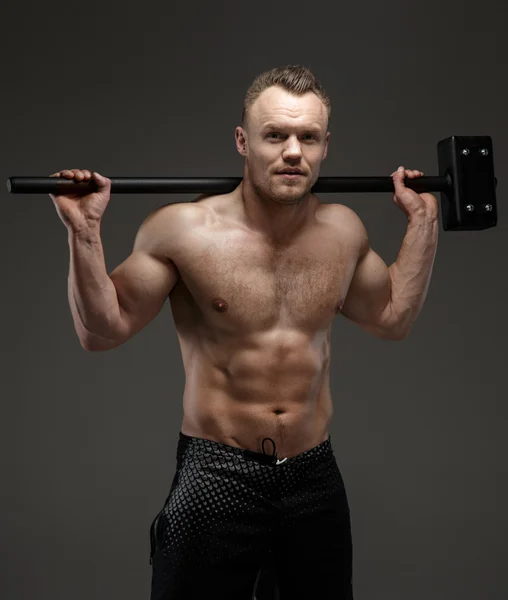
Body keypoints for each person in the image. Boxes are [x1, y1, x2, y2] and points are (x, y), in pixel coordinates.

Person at [49, 65, 439, 600]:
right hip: (218, 472)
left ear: (326, 145)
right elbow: (103, 329)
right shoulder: (182, 231)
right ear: (243, 141)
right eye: (275, 135)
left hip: (313, 475)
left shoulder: (345, 231)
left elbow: (392, 318)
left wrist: (423, 226)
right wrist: (85, 234)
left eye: (308, 137)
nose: (293, 152)